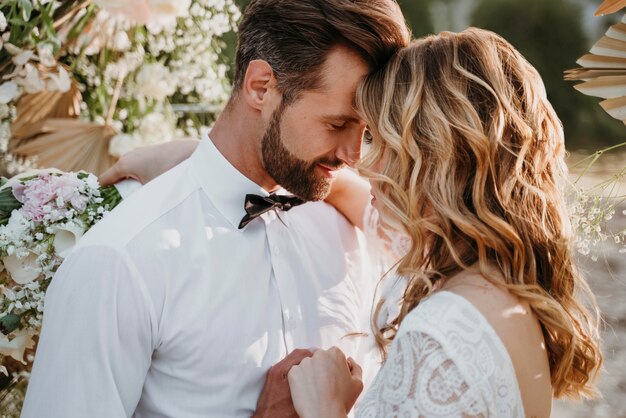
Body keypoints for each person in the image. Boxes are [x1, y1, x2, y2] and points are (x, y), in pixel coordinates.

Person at [20, 1, 409, 417]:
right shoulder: (121, 259)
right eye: (336, 125)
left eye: (366, 132)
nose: (353, 154)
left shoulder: (354, 229)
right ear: (260, 87)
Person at [286, 29, 603, 417]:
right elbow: (354, 196)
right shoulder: (503, 291)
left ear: (436, 157)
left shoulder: (441, 336)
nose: (366, 164)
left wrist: (326, 408)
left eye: (383, 142)